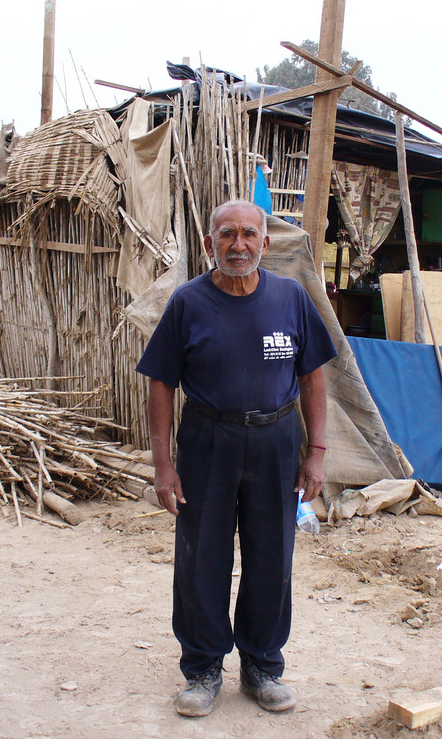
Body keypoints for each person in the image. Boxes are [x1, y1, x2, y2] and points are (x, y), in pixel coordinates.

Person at [135, 199, 337, 717]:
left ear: (265, 244)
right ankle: (202, 668)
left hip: (276, 442)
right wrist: (163, 466)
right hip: (208, 441)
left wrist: (315, 454)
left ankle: (262, 666)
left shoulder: (290, 298)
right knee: (202, 558)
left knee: (272, 558)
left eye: (250, 234)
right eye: (227, 235)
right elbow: (160, 384)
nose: (239, 244)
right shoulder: (188, 302)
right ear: (210, 244)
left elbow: (314, 378)